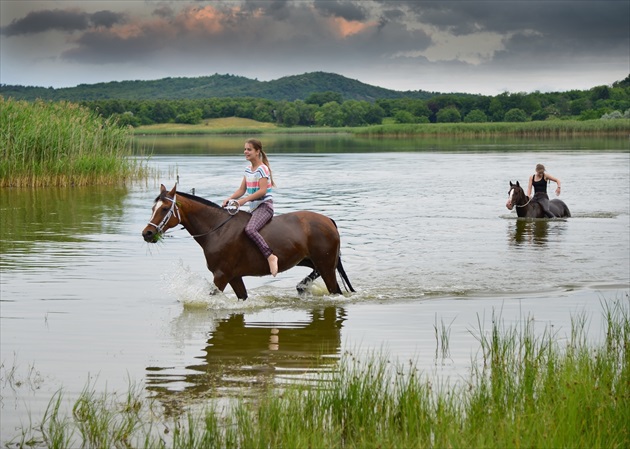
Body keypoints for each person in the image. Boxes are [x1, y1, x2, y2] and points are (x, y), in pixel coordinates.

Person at [223, 138, 279, 276]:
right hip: (253, 209)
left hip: (265, 207)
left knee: (250, 229)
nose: (245, 152)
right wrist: (230, 199)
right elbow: (241, 190)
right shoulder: (248, 170)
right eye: (245, 149)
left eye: (249, 149)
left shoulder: (262, 169)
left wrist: (243, 201)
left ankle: (270, 256)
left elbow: (262, 191)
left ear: (257, 151)